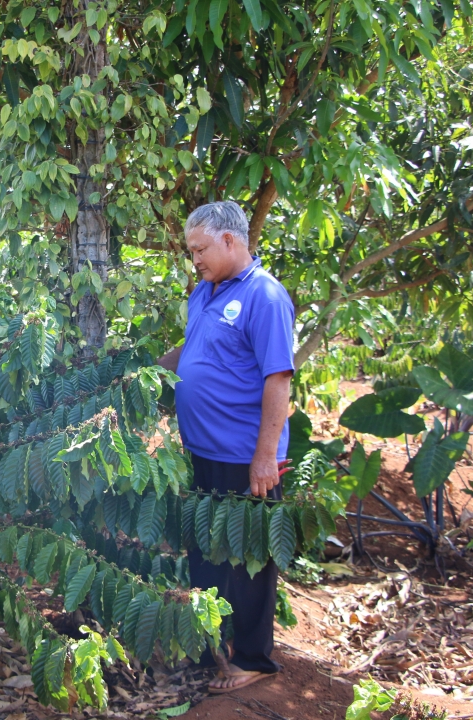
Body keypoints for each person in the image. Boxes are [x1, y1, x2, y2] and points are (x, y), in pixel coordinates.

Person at [158, 201, 295, 694]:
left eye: (199, 249)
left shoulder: (265, 296)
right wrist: (152, 369)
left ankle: (255, 658)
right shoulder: (204, 292)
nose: (193, 258)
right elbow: (192, 347)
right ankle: (210, 647)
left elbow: (278, 379)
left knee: (249, 559)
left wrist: (265, 457)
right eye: (191, 250)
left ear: (229, 241)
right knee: (207, 553)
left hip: (244, 456)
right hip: (203, 451)